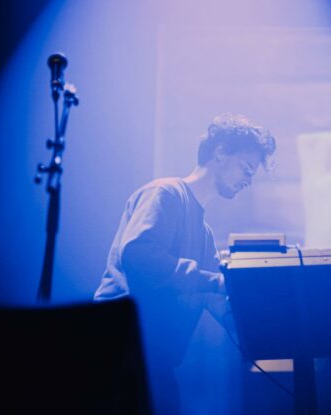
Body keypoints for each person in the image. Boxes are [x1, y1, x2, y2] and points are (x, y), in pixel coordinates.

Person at [93, 114, 276, 415]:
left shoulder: (204, 235)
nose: (248, 180)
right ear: (220, 152)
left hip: (153, 361)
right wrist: (214, 281)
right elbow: (138, 255)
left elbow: (218, 299)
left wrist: (267, 327)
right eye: (246, 168)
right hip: (116, 350)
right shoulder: (164, 193)